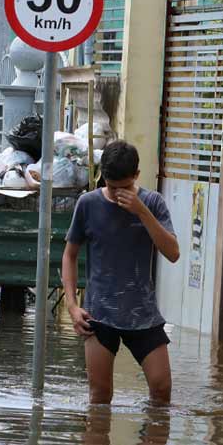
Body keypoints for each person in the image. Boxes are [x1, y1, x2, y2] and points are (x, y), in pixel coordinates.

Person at [62, 141, 180, 405]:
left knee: (162, 392)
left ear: (137, 176)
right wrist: (72, 305)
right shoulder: (88, 204)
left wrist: (140, 210)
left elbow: (173, 253)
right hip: (99, 315)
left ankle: (152, 444)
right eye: (112, 187)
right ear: (103, 176)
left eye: (124, 187)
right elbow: (69, 255)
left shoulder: (152, 202)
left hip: (143, 315)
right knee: (100, 396)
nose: (117, 194)